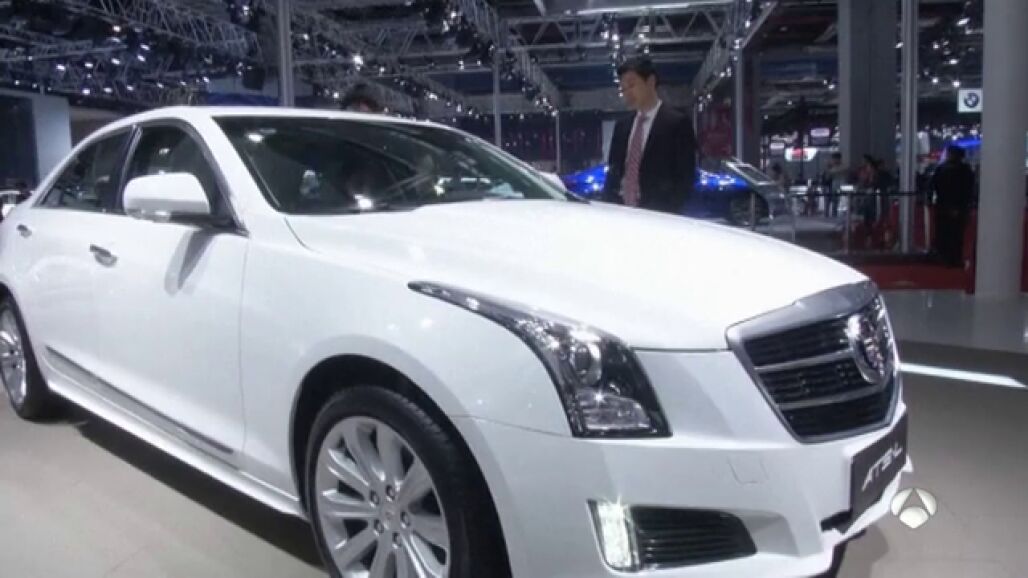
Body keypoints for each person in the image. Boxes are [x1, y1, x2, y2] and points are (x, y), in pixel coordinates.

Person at [602, 57, 697, 214]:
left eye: (631, 85)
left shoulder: (677, 124)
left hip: (658, 216)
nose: (627, 93)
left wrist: (667, 212)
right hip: (621, 214)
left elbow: (685, 179)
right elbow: (614, 172)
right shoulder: (622, 127)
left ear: (651, 82)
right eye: (623, 89)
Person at [930, 145, 975, 267]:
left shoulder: (942, 169)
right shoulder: (966, 171)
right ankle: (954, 258)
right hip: (958, 206)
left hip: (944, 205)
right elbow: (969, 190)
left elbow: (935, 186)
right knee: (956, 234)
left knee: (944, 232)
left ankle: (944, 256)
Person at [821, 152, 847, 218]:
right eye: (833, 159)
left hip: (838, 185)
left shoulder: (842, 167)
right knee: (827, 200)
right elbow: (827, 176)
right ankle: (826, 214)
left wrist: (829, 169)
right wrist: (828, 169)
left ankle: (834, 214)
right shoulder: (831, 167)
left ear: (839, 159)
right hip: (831, 185)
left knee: (836, 201)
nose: (833, 160)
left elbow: (834, 172)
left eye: (834, 159)